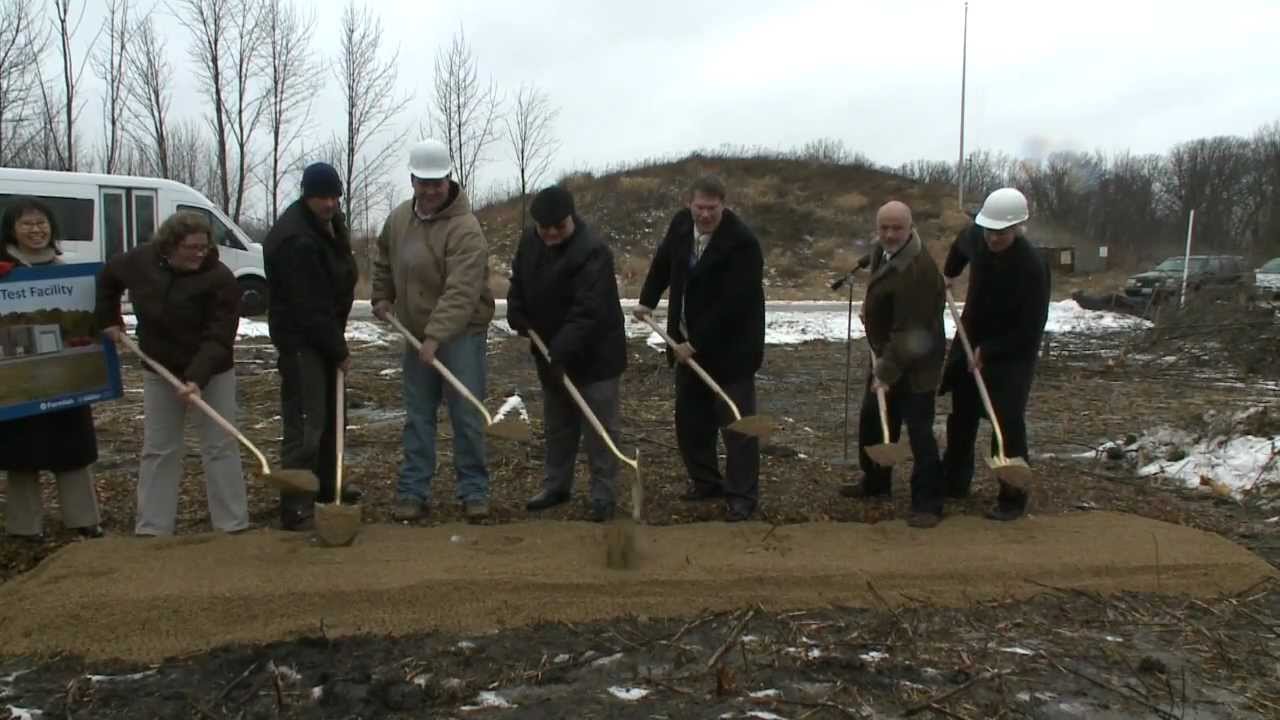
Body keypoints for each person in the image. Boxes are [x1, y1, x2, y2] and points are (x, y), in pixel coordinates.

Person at [98, 210, 249, 536]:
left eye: (204, 247)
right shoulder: (141, 261)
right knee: (159, 447)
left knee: (220, 445)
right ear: (169, 246)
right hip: (159, 366)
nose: (200, 253)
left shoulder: (220, 278)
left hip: (213, 370)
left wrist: (196, 378)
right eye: (191, 247)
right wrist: (109, 317)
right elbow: (109, 275)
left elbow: (219, 336)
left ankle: (231, 524)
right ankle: (153, 527)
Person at [372, 138, 496, 523]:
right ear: (412, 180)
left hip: (460, 337)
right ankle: (413, 491)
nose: (429, 191)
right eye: (422, 183)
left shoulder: (465, 228)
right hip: (416, 335)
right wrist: (382, 296)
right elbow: (383, 260)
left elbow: (462, 290)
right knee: (419, 416)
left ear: (448, 180)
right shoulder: (397, 220)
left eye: (436, 183)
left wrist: (436, 337)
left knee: (466, 414)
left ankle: (474, 491)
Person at [634, 175, 765, 522]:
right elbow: (663, 263)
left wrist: (696, 343)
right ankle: (706, 482)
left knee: (736, 424)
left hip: (732, 350)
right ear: (688, 204)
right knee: (690, 422)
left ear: (724, 205)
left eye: (712, 208)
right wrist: (648, 300)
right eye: (699, 207)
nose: (705, 214)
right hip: (685, 344)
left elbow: (734, 304)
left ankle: (742, 496)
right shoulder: (681, 226)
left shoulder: (743, 244)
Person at [507, 186, 627, 522]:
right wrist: (516, 310)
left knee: (599, 428)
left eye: (558, 227)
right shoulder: (531, 242)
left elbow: (588, 311)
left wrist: (559, 350)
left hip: (595, 356)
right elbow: (518, 282)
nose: (550, 234)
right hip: (550, 353)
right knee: (558, 426)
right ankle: (556, 486)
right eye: (544, 228)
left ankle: (603, 494)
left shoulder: (593, 252)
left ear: (571, 219)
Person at [939, 187, 1051, 521]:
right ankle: (955, 481)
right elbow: (960, 246)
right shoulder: (977, 236)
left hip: (1013, 352)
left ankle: (1011, 496)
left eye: (1000, 234)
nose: (992, 238)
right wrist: (949, 274)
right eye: (989, 230)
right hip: (971, 334)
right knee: (962, 416)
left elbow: (1031, 327)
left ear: (1017, 228)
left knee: (1006, 421)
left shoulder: (1032, 267)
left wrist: (990, 351)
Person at [262, 162, 359, 531]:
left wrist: (335, 344)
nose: (330, 203)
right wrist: (340, 350)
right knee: (307, 421)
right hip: (302, 341)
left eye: (334, 196)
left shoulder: (329, 227)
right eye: (322, 197)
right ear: (306, 195)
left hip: (326, 335)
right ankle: (295, 503)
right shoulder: (295, 240)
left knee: (334, 416)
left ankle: (327, 486)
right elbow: (310, 306)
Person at [0, 198, 103, 540]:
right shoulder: (3, 270)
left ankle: (84, 520)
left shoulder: (68, 268)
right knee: (20, 456)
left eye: (41, 222)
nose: (35, 230)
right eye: (26, 224)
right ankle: (24, 527)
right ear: (12, 230)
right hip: (15, 384)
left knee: (72, 451)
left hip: (65, 386)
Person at [846, 201, 947, 527]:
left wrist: (886, 374)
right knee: (873, 419)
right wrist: (870, 312)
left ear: (910, 227)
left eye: (896, 228)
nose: (889, 234)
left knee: (918, 431)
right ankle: (875, 482)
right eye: (884, 227)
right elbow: (879, 288)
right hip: (886, 350)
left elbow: (910, 334)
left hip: (916, 362)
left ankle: (928, 502)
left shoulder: (917, 270)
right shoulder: (883, 251)